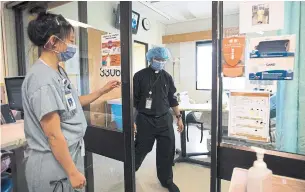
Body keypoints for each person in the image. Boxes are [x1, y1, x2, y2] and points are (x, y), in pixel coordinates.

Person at [22, 11, 120, 191]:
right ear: (53, 42)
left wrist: (103, 90)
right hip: (51, 163)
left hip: (64, 156)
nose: (72, 46)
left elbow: (72, 104)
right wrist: (72, 172)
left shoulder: (57, 71)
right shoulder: (42, 79)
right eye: (70, 41)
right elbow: (53, 134)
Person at [133, 47, 184, 192]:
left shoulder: (167, 77)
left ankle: (167, 180)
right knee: (141, 148)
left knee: (167, 151)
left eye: (163, 60)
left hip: (165, 119)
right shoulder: (139, 76)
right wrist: (132, 121)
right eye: (158, 60)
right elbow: (134, 101)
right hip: (145, 119)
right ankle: (130, 170)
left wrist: (179, 118)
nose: (161, 63)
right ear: (151, 59)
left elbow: (172, 99)